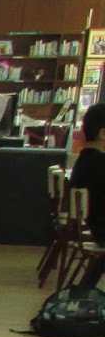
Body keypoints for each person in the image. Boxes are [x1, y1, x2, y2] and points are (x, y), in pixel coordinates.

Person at [68, 103, 105, 287]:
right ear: (103, 134)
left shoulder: (85, 160)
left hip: (96, 228)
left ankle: (87, 287)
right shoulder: (99, 164)